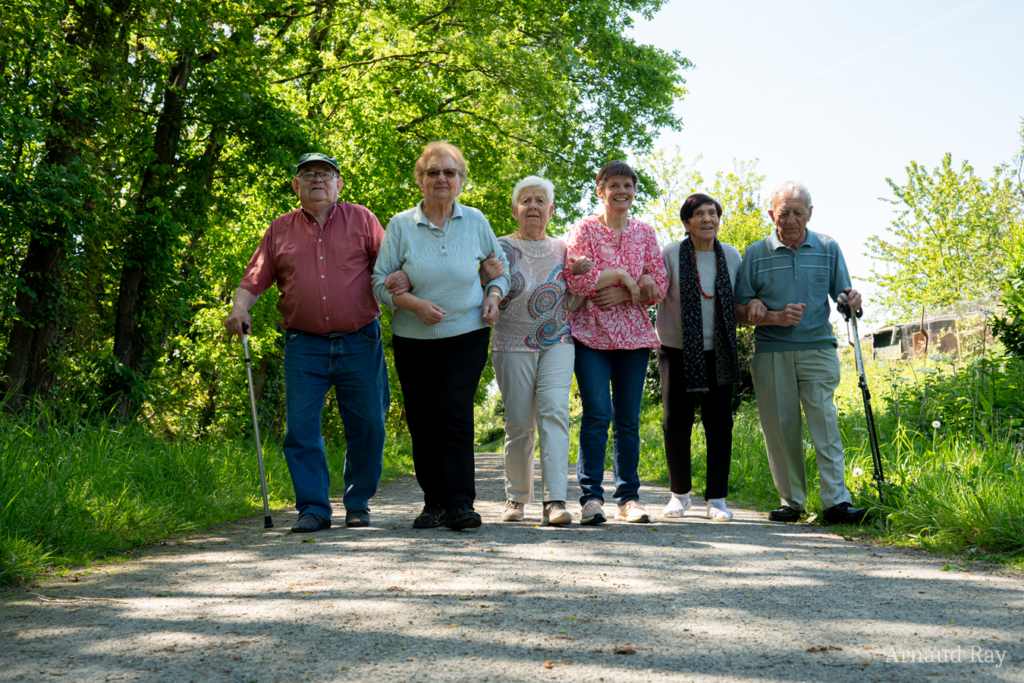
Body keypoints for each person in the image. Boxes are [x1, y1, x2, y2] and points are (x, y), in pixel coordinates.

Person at [224, 152, 390, 532]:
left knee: (369, 426)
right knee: (301, 428)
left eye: (326, 174)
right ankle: (313, 508)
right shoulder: (280, 229)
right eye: (308, 174)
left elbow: (390, 267)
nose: (318, 179)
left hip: (361, 339)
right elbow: (253, 280)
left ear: (339, 184)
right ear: (296, 185)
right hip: (304, 344)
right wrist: (239, 309)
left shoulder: (362, 219)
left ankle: (358, 501)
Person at [371, 141, 510, 531]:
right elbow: (379, 284)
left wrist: (494, 296)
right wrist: (413, 304)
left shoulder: (477, 220)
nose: (441, 179)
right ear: (420, 179)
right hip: (414, 338)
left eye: (450, 172)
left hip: (467, 332)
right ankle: (433, 503)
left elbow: (500, 271)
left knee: (453, 413)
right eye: (433, 172)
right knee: (423, 418)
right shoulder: (401, 225)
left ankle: (461, 503)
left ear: (462, 180)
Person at [733, 181, 868, 526]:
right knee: (780, 429)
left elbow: (843, 298)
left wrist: (852, 300)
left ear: (810, 213)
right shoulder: (755, 252)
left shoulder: (827, 247)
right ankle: (792, 502)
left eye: (797, 212)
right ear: (771, 215)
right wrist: (757, 308)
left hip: (817, 349)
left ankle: (836, 503)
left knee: (825, 425)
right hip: (771, 353)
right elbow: (737, 308)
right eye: (783, 212)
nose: (790, 219)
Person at [564, 160, 668, 525]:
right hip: (590, 335)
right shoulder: (584, 229)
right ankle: (591, 499)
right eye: (614, 185)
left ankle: (628, 498)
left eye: (628, 185)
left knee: (628, 419)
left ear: (634, 190)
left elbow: (659, 284)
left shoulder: (645, 233)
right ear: (601, 190)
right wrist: (624, 276)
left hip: (635, 338)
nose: (622, 191)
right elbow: (574, 280)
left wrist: (624, 295)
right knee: (597, 414)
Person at [655, 194, 769, 521]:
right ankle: (679, 495)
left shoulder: (731, 255)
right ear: (687, 223)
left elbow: (743, 299)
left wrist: (757, 306)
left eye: (713, 213)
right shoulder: (671, 254)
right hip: (676, 349)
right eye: (699, 214)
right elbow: (656, 292)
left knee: (720, 422)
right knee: (676, 422)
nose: (708, 219)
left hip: (719, 351)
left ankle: (716, 499)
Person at [492, 176, 591, 526]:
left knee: (554, 413)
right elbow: (484, 288)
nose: (532, 206)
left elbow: (575, 302)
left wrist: (582, 276)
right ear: (515, 208)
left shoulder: (564, 249)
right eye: (526, 201)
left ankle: (555, 501)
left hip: (557, 340)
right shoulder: (498, 246)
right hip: (510, 343)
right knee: (519, 422)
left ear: (550, 210)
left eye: (539, 201)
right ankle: (516, 499)